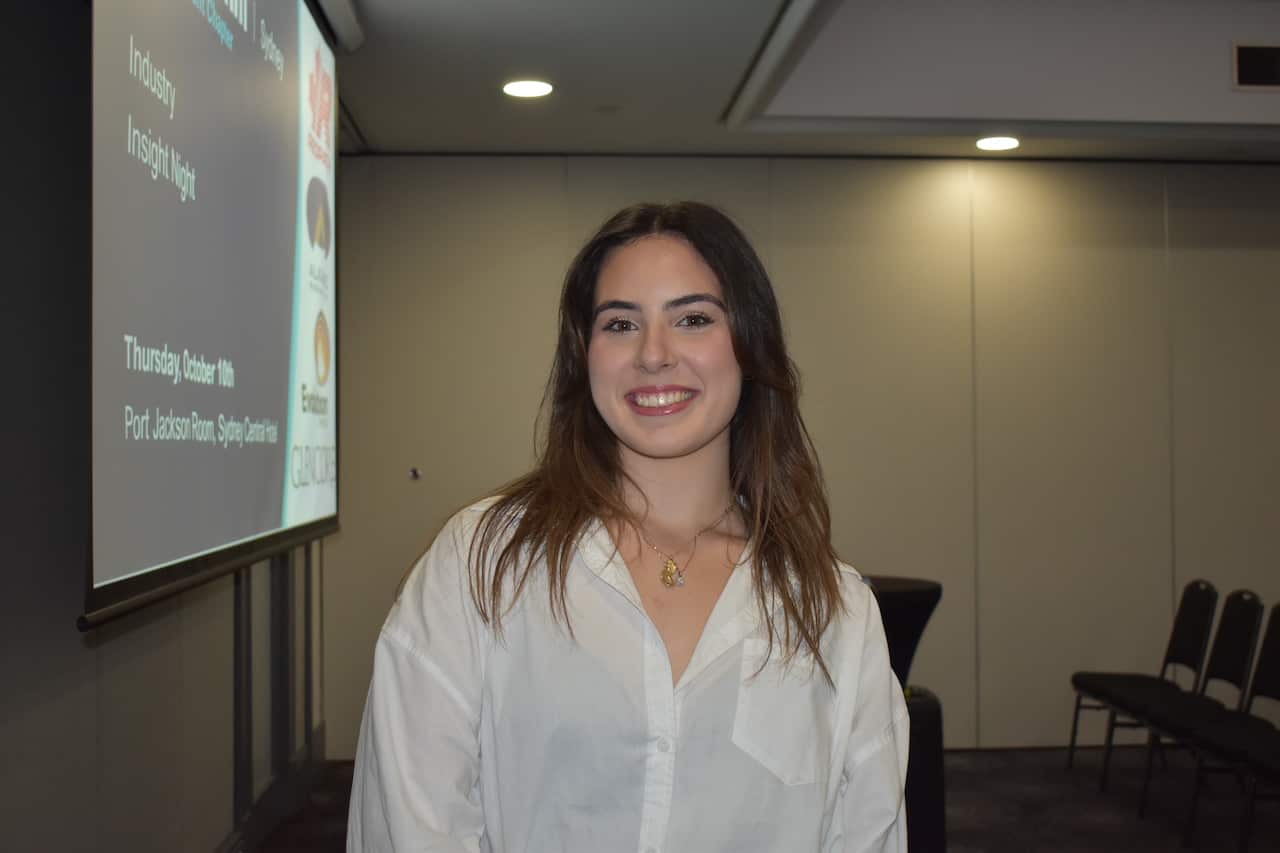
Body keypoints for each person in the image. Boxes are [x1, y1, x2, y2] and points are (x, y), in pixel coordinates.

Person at [348, 202, 909, 852]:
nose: (653, 354)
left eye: (693, 318)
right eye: (620, 324)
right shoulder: (482, 563)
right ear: (585, 357)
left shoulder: (833, 609)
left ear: (750, 346)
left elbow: (866, 833)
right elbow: (412, 823)